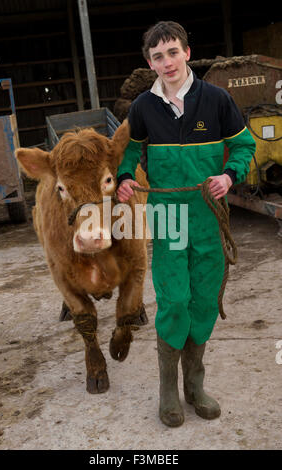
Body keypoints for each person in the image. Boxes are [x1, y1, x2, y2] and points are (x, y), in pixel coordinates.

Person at [116, 21, 255, 427]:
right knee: (174, 300)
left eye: (173, 52)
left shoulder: (216, 99)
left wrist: (229, 175)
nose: (167, 61)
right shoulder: (142, 107)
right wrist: (126, 178)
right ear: (150, 63)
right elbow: (130, 155)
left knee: (203, 300)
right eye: (158, 56)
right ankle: (167, 391)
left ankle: (195, 385)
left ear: (187, 53)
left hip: (209, 215)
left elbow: (245, 145)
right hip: (167, 214)